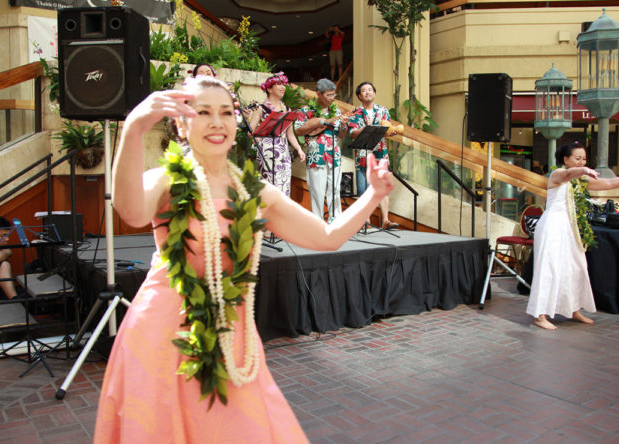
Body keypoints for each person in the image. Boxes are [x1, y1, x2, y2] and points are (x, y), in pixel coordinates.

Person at [94, 76, 394, 442]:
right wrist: (133, 130)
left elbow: (326, 237)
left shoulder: (257, 191)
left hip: (233, 337)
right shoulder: (166, 181)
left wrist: (373, 195)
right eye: (202, 112)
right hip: (164, 333)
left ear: (237, 125)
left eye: (226, 112)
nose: (217, 122)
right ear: (181, 125)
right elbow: (130, 210)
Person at [527, 141, 619, 330]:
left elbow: (608, 183)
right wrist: (584, 170)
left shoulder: (581, 178)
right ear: (566, 159)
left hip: (570, 227)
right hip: (552, 226)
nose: (581, 162)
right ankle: (540, 315)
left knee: (577, 267)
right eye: (577, 158)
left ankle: (573, 309)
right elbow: (568, 174)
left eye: (584, 159)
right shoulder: (557, 174)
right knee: (549, 267)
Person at [293, 78, 352, 222]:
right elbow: (299, 130)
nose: (332, 98)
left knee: (336, 189)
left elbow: (341, 134)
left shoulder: (336, 110)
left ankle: (336, 220)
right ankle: (317, 222)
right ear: (318, 94)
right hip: (316, 154)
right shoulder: (306, 111)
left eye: (333, 95)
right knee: (317, 191)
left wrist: (344, 126)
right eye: (328, 95)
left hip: (334, 154)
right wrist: (320, 122)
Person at [349, 81, 398, 229]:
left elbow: (387, 129)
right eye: (364, 91)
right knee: (364, 191)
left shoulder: (383, 110)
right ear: (359, 95)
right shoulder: (355, 112)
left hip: (380, 154)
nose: (368, 92)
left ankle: (385, 220)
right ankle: (366, 222)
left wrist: (391, 132)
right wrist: (366, 128)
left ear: (375, 93)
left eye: (370, 90)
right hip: (363, 155)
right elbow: (352, 134)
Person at [247, 72, 305, 197]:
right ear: (269, 88)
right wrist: (254, 136)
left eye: (284, 84)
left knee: (283, 187)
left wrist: (299, 149)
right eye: (279, 84)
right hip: (267, 152)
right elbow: (251, 131)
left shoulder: (287, 109)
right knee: (270, 188)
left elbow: (290, 134)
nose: (283, 87)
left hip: (283, 153)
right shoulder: (261, 108)